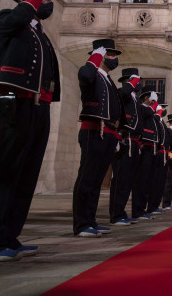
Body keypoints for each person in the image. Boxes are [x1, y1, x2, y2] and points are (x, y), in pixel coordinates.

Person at [0, 0, 60, 262]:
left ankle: (10, 236)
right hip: (14, 105)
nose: (48, 3)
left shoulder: (40, 34)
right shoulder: (9, 19)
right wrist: (29, 3)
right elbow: (10, 23)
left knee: (26, 175)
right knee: (4, 171)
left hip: (38, 108)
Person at [73, 38, 123, 238]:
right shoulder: (91, 72)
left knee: (96, 181)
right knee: (87, 178)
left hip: (108, 133)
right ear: (101, 56)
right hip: (93, 130)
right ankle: (81, 224)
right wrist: (95, 57)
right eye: (110, 54)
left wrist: (117, 136)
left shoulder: (107, 79)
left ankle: (90, 220)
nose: (113, 58)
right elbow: (85, 75)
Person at [108, 68, 143, 226]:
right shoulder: (123, 92)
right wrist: (130, 83)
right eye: (135, 80)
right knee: (120, 179)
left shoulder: (136, 99)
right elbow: (121, 95)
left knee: (128, 180)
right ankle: (115, 215)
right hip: (124, 140)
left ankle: (121, 212)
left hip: (134, 142)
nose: (138, 83)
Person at [131, 86, 158, 221]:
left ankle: (142, 208)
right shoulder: (143, 108)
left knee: (146, 181)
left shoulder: (148, 110)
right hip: (144, 147)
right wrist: (154, 104)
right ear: (146, 98)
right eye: (152, 97)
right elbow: (147, 113)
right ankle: (137, 210)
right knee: (140, 181)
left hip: (150, 148)